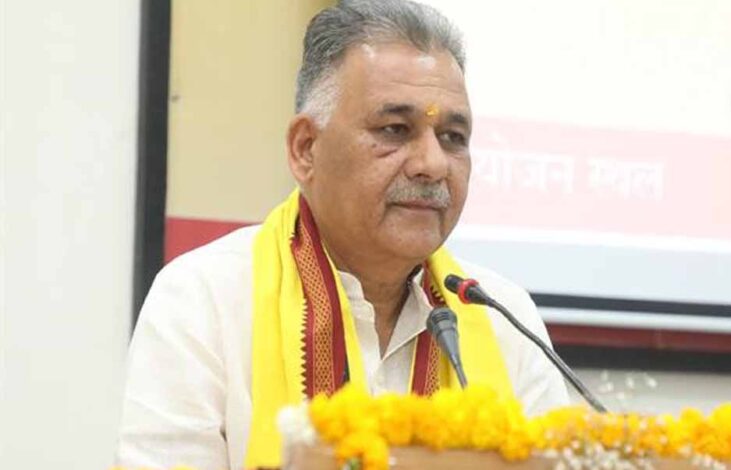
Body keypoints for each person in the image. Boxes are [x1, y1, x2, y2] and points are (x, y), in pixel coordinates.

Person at [115, 1, 569, 469]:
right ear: (305, 149)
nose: (432, 164)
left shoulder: (502, 315)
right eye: (395, 130)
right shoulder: (204, 299)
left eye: (453, 137)